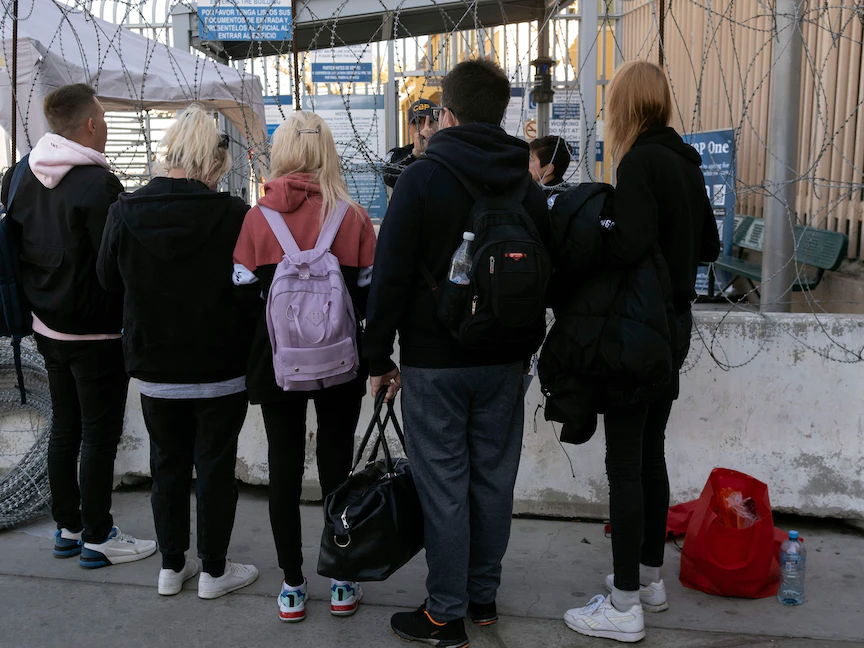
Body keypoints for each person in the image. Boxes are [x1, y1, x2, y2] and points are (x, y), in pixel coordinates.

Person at [363, 59, 553, 647]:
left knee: (443, 483)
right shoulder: (525, 184)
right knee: (493, 479)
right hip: (507, 359)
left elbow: (390, 276)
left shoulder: (422, 179)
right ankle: (482, 597)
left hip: (435, 360)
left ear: (447, 114)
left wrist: (378, 358)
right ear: (502, 113)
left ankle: (445, 615)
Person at [561, 61, 720, 643]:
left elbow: (625, 243)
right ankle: (649, 579)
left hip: (637, 329)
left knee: (625, 463)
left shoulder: (639, 163)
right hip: (674, 325)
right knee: (650, 454)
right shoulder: (685, 162)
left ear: (625, 106)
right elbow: (709, 244)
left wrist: (595, 231)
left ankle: (624, 605)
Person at [96, 104, 259, 598]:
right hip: (220, 363)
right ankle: (214, 570)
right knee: (215, 466)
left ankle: (171, 566)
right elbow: (251, 287)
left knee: (166, 464)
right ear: (212, 159)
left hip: (156, 363)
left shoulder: (125, 210)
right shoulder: (232, 213)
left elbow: (107, 280)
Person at [0, 84, 156, 567]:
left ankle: (68, 527)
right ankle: (99, 535)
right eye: (103, 118)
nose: (105, 126)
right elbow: (114, 263)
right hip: (96, 333)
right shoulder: (97, 185)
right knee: (98, 435)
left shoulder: (18, 175)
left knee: (65, 429)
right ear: (90, 124)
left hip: (46, 326)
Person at [232, 111, 376, 623]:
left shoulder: (258, 218)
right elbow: (369, 295)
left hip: (278, 364)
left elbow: (243, 296)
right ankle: (341, 579)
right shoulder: (353, 217)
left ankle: (292, 585)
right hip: (341, 361)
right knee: (338, 468)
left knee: (284, 469)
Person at [382, 99, 439, 188]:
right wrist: (414, 155)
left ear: (438, 125)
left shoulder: (446, 153)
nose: (423, 129)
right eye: (417, 123)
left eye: (429, 122)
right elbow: (389, 177)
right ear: (409, 128)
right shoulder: (399, 154)